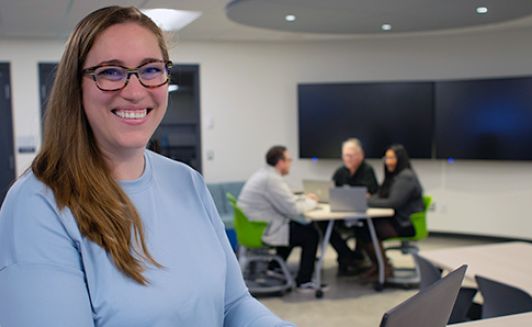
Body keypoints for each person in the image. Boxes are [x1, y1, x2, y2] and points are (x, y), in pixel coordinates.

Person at [0, 6, 291, 327]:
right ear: (76, 86)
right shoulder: (38, 206)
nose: (135, 91)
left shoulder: (187, 182)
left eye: (151, 70)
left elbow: (233, 305)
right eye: (111, 71)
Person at [238, 146, 322, 291]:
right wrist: (313, 202)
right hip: (264, 231)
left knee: (294, 227)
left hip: (255, 229)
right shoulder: (271, 179)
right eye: (289, 160)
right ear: (280, 162)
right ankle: (304, 281)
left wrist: (303, 198)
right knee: (311, 234)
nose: (290, 163)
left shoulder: (264, 174)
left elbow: (286, 200)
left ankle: (275, 267)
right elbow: (293, 209)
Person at [358, 144, 424, 282]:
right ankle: (379, 266)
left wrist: (366, 202)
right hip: (395, 221)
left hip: (405, 225)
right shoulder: (393, 176)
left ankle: (384, 268)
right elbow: (380, 196)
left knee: (365, 229)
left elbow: (393, 202)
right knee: (361, 227)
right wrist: (369, 199)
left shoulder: (406, 177)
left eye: (391, 158)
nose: (388, 161)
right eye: (386, 158)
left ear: (400, 159)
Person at [320, 138, 379, 275]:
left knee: (362, 229)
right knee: (323, 225)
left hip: (361, 215)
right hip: (340, 214)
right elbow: (331, 190)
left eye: (351, 155)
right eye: (345, 155)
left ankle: (355, 259)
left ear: (360, 155)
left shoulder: (367, 170)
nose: (348, 158)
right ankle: (348, 255)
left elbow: (372, 193)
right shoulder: (340, 171)